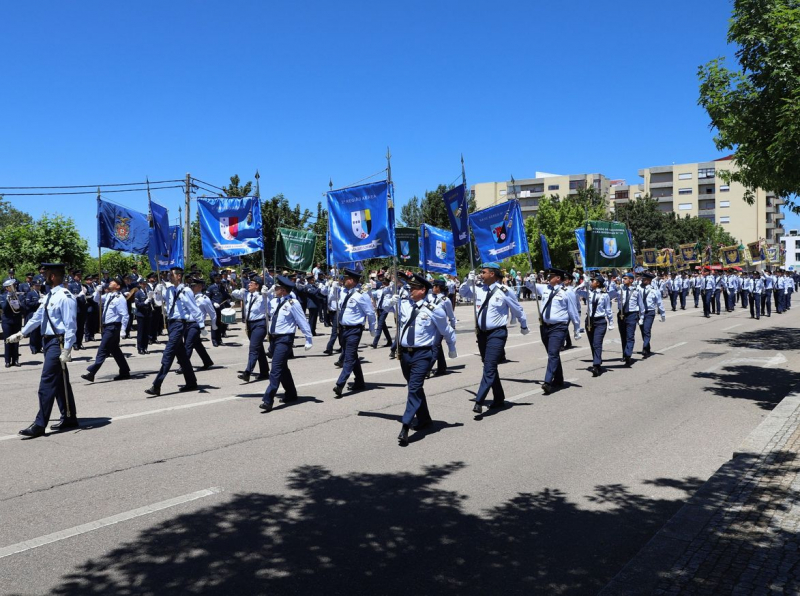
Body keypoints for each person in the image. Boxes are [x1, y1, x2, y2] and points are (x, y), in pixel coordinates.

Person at [6, 263, 78, 438]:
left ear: (52, 276)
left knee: (47, 382)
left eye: (46, 274)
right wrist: (22, 333)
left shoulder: (65, 296)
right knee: (60, 382)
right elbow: (38, 317)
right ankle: (69, 417)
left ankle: (40, 424)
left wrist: (67, 348)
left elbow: (70, 325)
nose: (43, 277)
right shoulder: (50, 296)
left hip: (58, 343)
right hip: (48, 342)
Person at [393, 274, 457, 445]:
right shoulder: (404, 304)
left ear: (422, 290)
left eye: (413, 288)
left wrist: (451, 348)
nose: (410, 290)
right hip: (405, 354)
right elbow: (385, 309)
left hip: (423, 354)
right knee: (415, 387)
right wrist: (389, 301)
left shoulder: (434, 309)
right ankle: (425, 419)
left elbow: (446, 330)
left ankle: (405, 425)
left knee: (413, 388)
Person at [460, 262, 528, 411]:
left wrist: (524, 324)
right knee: (489, 366)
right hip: (482, 334)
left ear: (492, 274)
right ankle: (499, 398)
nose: (480, 275)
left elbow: (517, 308)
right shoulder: (479, 289)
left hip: (497, 333)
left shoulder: (504, 290)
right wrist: (467, 282)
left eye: (483, 272)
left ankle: (479, 400)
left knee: (489, 367)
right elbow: (463, 293)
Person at [144, 266, 203, 397]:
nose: (169, 277)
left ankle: (156, 385)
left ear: (178, 276)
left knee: (168, 353)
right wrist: (157, 292)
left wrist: (202, 326)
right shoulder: (170, 289)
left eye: (171, 275)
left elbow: (194, 308)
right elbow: (160, 302)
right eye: (168, 275)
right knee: (182, 356)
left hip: (179, 324)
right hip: (171, 324)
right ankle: (191, 382)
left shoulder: (186, 290)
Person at [260, 275, 313, 412]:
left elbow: (302, 321)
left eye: (276, 288)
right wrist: (264, 296)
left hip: (285, 339)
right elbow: (264, 309)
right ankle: (291, 393)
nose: (274, 289)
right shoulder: (276, 301)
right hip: (274, 339)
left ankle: (268, 399)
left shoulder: (293, 303)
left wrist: (308, 339)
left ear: (283, 290)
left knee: (276, 368)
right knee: (282, 368)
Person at [525, 268, 579, 394]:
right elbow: (529, 286)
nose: (548, 278)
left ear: (558, 278)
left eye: (551, 276)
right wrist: (529, 278)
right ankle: (559, 379)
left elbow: (573, 310)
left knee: (553, 353)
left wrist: (577, 328)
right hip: (544, 326)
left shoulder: (567, 292)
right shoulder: (545, 288)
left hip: (559, 327)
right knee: (552, 354)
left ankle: (548, 382)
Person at [332, 267, 376, 397]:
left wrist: (373, 329)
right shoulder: (343, 292)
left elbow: (370, 313)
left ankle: (340, 384)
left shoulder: (361, 295)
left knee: (349, 358)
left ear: (352, 280)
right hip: (343, 329)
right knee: (352, 355)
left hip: (354, 330)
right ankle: (360, 382)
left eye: (345, 278)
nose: (343, 280)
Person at [81, 276, 131, 382]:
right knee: (115, 350)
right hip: (107, 326)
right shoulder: (109, 295)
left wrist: (123, 330)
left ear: (117, 286)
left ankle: (92, 372)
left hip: (113, 327)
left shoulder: (120, 298)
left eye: (113, 282)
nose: (111, 282)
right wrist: (98, 291)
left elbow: (125, 315)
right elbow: (95, 299)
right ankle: (125, 371)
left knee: (102, 349)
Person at [231, 275, 270, 383]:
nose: (248, 284)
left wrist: (266, 294)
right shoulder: (247, 295)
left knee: (253, 348)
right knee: (259, 348)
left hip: (260, 324)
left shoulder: (263, 296)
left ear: (257, 286)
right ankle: (264, 371)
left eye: (251, 283)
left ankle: (247, 372)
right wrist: (239, 290)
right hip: (249, 325)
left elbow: (270, 307)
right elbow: (234, 294)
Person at [576, 274, 613, 377]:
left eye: (593, 281)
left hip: (600, 321)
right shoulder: (588, 293)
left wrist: (611, 322)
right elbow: (575, 291)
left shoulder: (604, 295)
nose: (591, 282)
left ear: (598, 283)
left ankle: (596, 365)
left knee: (597, 343)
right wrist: (583, 283)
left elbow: (608, 310)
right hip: (589, 321)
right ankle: (597, 361)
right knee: (592, 343)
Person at [176, 277, 215, 374]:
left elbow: (212, 313)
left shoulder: (204, 299)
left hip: (196, 324)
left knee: (188, 344)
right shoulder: (189, 296)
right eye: (191, 285)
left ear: (200, 287)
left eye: (194, 286)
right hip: (187, 323)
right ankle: (207, 361)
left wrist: (214, 325)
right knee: (197, 344)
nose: (192, 287)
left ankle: (183, 365)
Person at [611, 272, 644, 366]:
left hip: (632, 315)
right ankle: (624, 354)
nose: (623, 280)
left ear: (631, 280)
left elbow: (641, 305)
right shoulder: (620, 290)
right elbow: (609, 295)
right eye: (623, 278)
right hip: (621, 315)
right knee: (623, 336)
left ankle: (628, 355)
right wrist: (613, 283)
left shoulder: (636, 291)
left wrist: (641, 317)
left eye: (625, 278)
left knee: (630, 336)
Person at [427, 279, 457, 378]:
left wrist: (452, 327)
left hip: (440, 327)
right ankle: (442, 368)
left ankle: (427, 369)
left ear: (438, 287)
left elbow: (451, 315)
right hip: (430, 326)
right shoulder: (429, 297)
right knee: (437, 346)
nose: (433, 287)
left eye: (434, 286)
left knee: (434, 347)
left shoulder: (445, 300)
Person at [638, 272, 666, 357]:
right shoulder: (638, 288)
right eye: (642, 279)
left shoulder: (654, 290)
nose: (642, 280)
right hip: (640, 313)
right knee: (643, 331)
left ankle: (645, 347)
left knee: (646, 329)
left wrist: (662, 314)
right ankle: (647, 348)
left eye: (644, 279)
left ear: (649, 280)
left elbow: (659, 302)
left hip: (650, 312)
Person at [1, 279, 24, 367]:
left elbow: (22, 308)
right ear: (7, 288)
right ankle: (7, 361)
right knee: (7, 341)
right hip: (7, 321)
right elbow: (4, 308)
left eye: (14, 286)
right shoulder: (3, 296)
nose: (13, 287)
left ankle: (16, 360)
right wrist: (8, 299)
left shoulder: (19, 296)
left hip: (16, 320)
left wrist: (18, 301)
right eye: (11, 286)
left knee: (16, 340)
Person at [370, 278, 394, 349]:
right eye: (383, 283)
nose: (384, 284)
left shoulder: (390, 290)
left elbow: (388, 288)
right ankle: (389, 340)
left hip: (385, 309)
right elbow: (372, 293)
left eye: (385, 282)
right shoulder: (379, 290)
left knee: (380, 325)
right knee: (383, 326)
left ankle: (375, 343)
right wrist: (367, 290)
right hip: (379, 309)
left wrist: (389, 284)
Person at [68, 269, 88, 350]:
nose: (79, 277)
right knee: (75, 327)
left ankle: (79, 342)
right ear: (74, 276)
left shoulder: (81, 285)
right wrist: (79, 295)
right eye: (78, 276)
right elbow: (70, 296)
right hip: (76, 309)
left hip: (83, 308)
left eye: (80, 276)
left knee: (81, 327)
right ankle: (75, 343)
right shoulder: (71, 285)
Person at [322, 275, 341, 355]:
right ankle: (343, 346)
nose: (333, 280)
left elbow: (335, 296)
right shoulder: (330, 286)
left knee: (335, 330)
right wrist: (326, 286)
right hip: (331, 310)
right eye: (333, 278)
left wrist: (335, 287)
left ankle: (329, 348)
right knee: (339, 330)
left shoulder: (339, 288)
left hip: (337, 310)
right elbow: (323, 293)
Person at [133, 277, 153, 355]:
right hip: (141, 315)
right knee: (141, 332)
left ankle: (145, 347)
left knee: (146, 332)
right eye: (143, 284)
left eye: (145, 284)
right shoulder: (138, 293)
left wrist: (151, 299)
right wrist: (145, 302)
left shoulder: (148, 292)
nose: (145, 285)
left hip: (148, 314)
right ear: (140, 284)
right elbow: (137, 304)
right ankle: (140, 348)